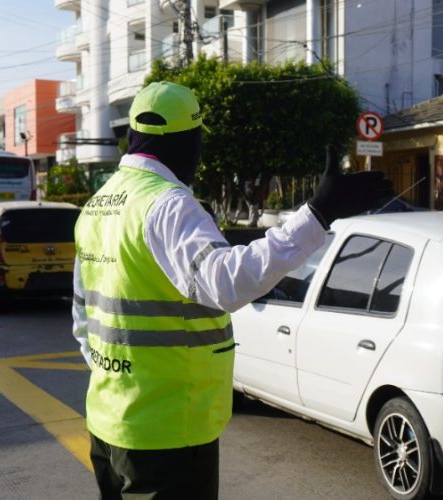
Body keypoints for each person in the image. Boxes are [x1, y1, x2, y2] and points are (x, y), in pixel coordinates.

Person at [72, 81, 393, 499]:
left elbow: (83, 319)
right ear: (189, 141)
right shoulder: (167, 204)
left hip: (108, 422)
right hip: (168, 433)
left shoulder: (98, 206)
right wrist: (316, 214)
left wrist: (120, 379)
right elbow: (227, 282)